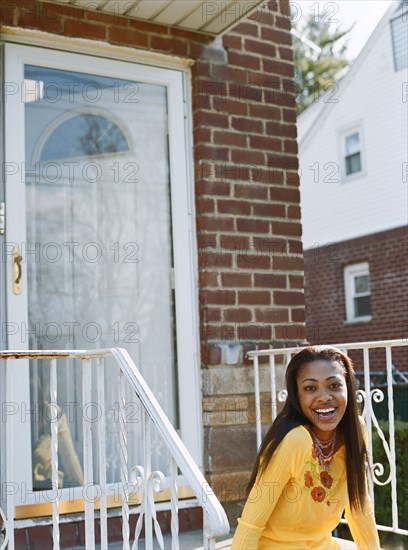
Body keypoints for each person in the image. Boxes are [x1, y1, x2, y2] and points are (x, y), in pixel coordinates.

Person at [231, 345, 381, 549]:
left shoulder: (355, 432)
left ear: (348, 387)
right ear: (296, 396)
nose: (324, 397)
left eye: (334, 385)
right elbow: (251, 523)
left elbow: (359, 509)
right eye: (310, 388)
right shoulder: (295, 440)